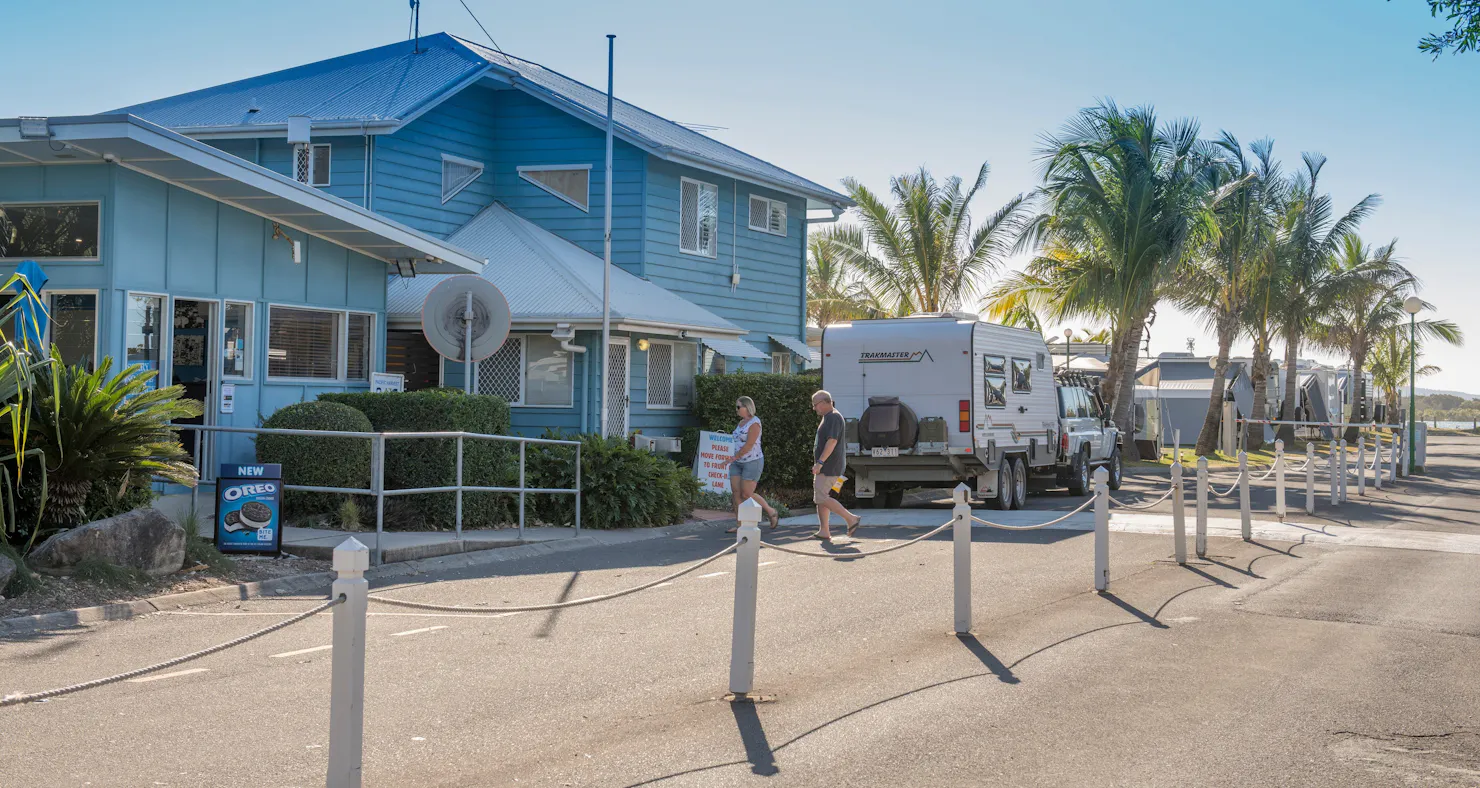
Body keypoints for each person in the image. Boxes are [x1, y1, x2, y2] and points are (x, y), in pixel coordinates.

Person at [810, 389, 860, 541]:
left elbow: (832, 442)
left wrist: (820, 462)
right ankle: (824, 530)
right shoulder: (829, 417)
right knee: (821, 497)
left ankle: (851, 519)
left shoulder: (833, 417)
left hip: (829, 466)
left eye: (815, 404)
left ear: (826, 402)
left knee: (820, 496)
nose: (814, 408)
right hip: (828, 465)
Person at [726, 396, 779, 533]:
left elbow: (749, 445)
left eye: (739, 407)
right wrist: (734, 459)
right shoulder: (741, 423)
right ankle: (740, 525)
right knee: (736, 493)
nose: (736, 410)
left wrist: (732, 458)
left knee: (746, 493)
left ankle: (771, 511)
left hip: (752, 461)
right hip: (738, 463)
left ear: (747, 407)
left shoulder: (755, 423)